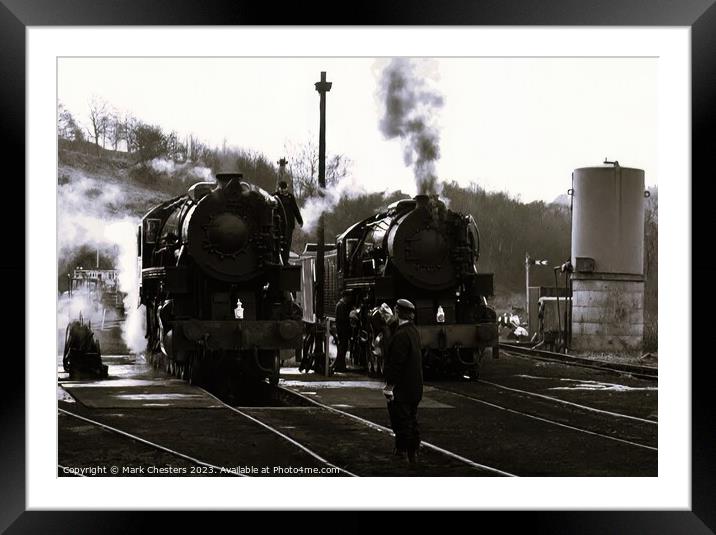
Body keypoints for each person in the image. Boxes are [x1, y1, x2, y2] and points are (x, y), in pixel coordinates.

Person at [383, 298, 423, 465]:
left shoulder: (400, 336)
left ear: (398, 312)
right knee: (411, 420)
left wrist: (389, 386)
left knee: (401, 420)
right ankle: (412, 452)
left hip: (402, 387)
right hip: (415, 386)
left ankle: (405, 453)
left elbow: (396, 363)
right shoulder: (413, 331)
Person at [274, 180, 303, 265]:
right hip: (278, 225)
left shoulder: (290, 197)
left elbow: (295, 209)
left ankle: (285, 260)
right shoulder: (275, 196)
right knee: (278, 242)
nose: (283, 190)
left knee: (287, 243)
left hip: (289, 225)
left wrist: (300, 220)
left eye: (284, 188)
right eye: (281, 188)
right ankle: (277, 260)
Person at [332, 290, 353, 372]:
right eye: (349, 297)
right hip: (342, 331)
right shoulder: (341, 305)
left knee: (342, 349)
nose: (350, 299)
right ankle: (340, 366)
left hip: (342, 330)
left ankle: (340, 365)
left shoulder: (340, 305)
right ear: (346, 296)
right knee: (342, 349)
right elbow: (342, 319)